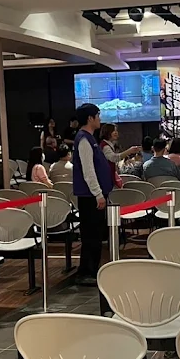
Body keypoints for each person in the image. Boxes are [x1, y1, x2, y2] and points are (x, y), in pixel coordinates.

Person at [72, 104, 113, 285]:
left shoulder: (90, 138)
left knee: (95, 235)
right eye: (97, 115)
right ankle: (87, 272)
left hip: (94, 195)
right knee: (91, 235)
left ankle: (90, 270)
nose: (99, 118)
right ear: (90, 118)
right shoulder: (84, 140)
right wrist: (98, 194)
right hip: (90, 197)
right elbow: (88, 171)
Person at [99, 124, 141, 189]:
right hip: (106, 178)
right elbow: (114, 158)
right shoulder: (105, 146)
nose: (116, 133)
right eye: (114, 131)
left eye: (116, 131)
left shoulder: (109, 145)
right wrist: (129, 151)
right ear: (107, 132)